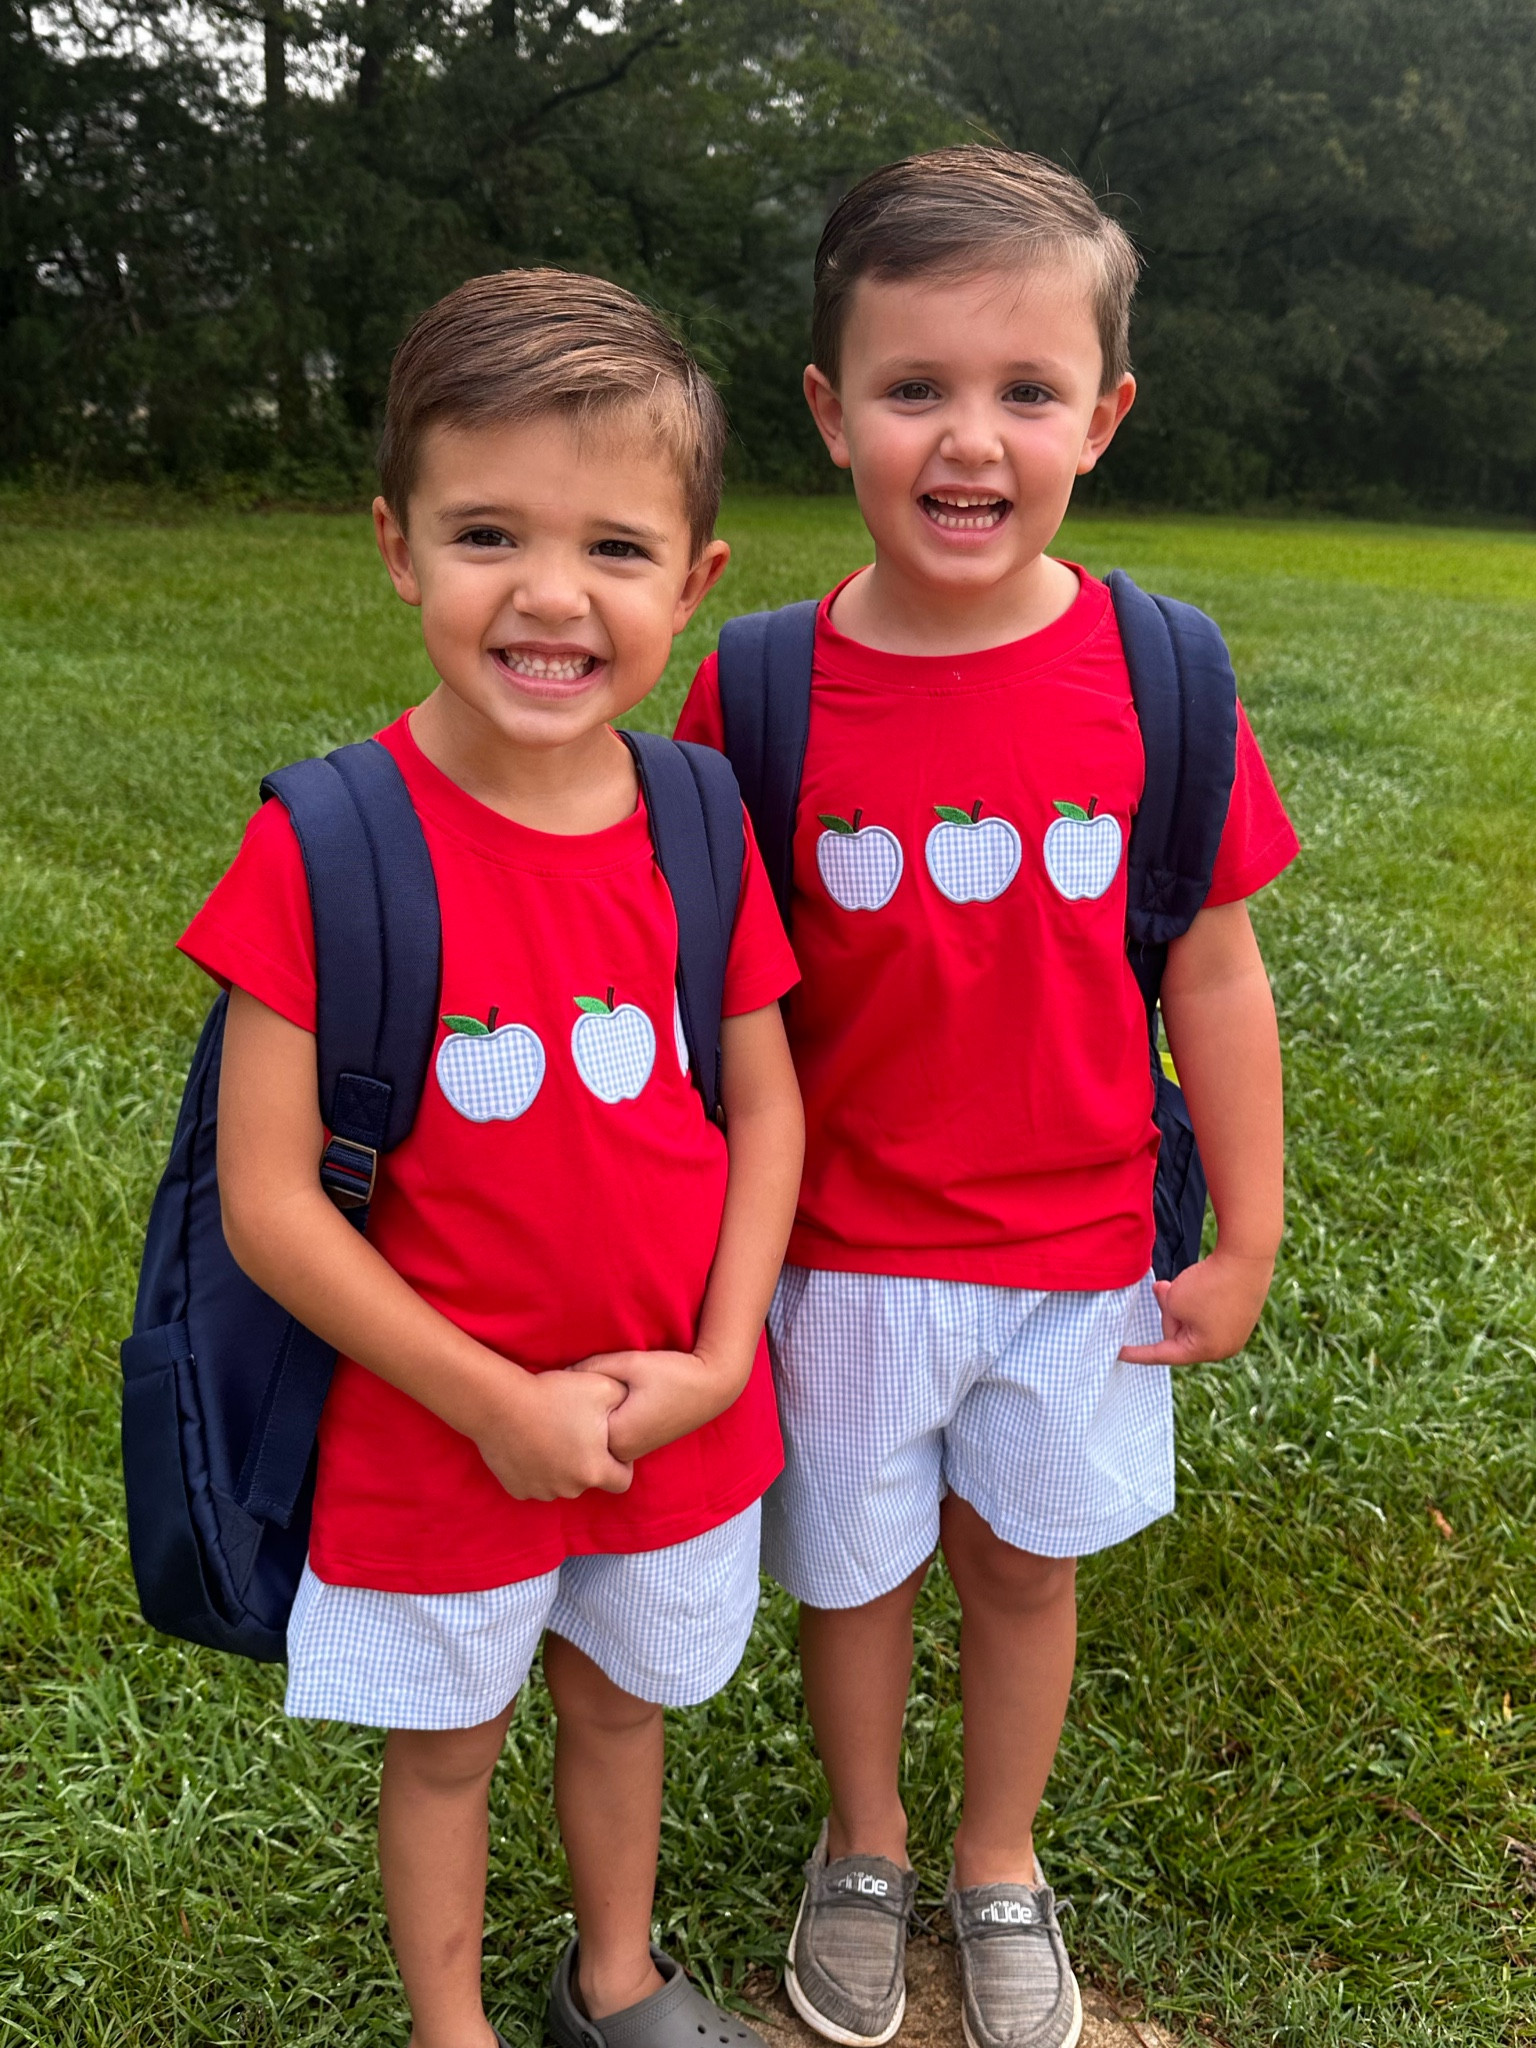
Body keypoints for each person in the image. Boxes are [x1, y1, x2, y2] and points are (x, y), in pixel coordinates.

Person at [676, 147, 1298, 2048]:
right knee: (853, 1578)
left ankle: (998, 1854)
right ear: (828, 411)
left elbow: (1214, 965)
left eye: (1026, 392)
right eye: (915, 387)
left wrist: (1251, 1228)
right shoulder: (760, 691)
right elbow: (709, 1000)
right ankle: (862, 1842)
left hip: (1081, 1254)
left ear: (1101, 418)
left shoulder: (1160, 672)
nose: (970, 439)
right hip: (843, 1256)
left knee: (1026, 1574)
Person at [179, 270, 804, 2048]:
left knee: (623, 1709)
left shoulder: (697, 815)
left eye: (616, 547)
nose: (548, 595)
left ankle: (614, 1983)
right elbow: (270, 1204)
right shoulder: (327, 843)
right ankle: (452, 2029)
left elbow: (766, 1104)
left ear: (694, 583)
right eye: (485, 532)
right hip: (431, 1434)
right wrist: (489, 1404)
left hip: (666, 1415)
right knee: (447, 1752)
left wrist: (718, 1353)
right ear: (396, 546)